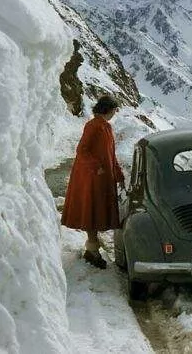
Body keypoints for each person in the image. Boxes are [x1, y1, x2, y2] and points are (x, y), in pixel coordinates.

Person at [61, 95, 125, 269]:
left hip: (101, 178)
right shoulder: (93, 125)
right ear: (107, 109)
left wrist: (118, 174)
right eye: (113, 110)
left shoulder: (106, 127)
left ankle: (92, 249)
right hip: (92, 178)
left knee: (96, 212)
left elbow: (111, 155)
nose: (114, 113)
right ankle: (92, 251)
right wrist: (96, 166)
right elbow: (82, 150)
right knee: (92, 212)